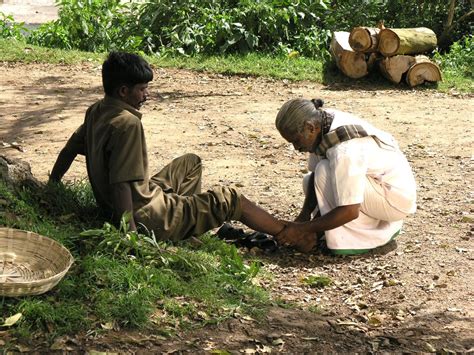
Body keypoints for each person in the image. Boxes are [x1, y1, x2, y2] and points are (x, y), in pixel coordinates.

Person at [49, 51, 285, 242]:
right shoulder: (128, 124)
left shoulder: (96, 111)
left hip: (142, 199)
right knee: (232, 199)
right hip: (150, 217)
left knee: (190, 163)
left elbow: (69, 150)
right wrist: (130, 238)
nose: (146, 95)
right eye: (142, 89)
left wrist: (53, 185)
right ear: (123, 91)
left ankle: (185, 229)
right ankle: (291, 233)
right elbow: (121, 186)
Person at [274, 98, 417, 255]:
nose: (296, 147)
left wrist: (302, 229)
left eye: (296, 140)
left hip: (394, 200)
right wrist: (304, 215)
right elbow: (314, 176)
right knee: (311, 179)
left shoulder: (346, 150)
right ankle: (355, 227)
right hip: (379, 188)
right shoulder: (321, 121)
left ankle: (362, 238)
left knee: (324, 173)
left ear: (310, 128)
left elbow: (350, 210)